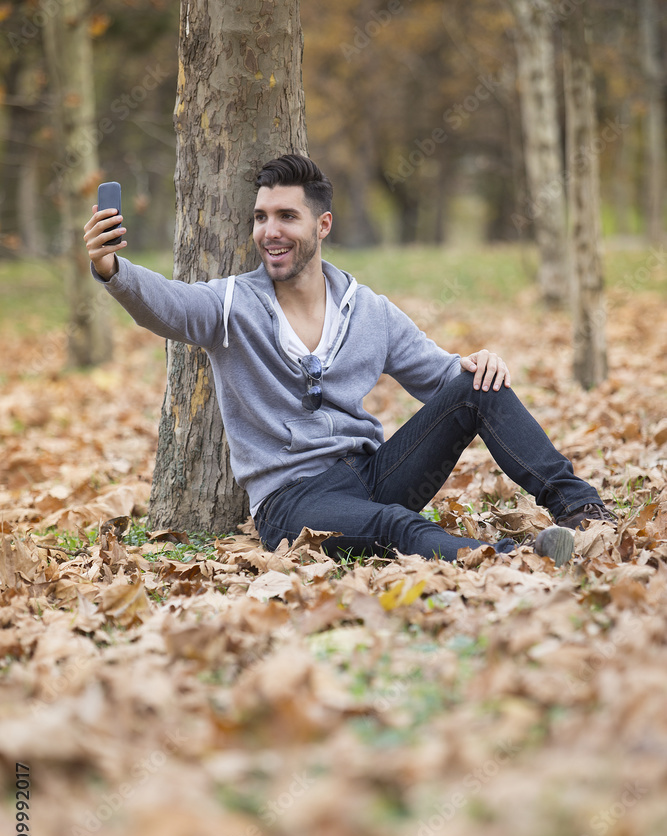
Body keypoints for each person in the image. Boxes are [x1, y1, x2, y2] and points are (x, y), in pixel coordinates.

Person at [84, 154, 615, 567]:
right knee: (392, 527)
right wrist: (112, 270)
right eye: (262, 217)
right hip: (293, 502)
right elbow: (167, 306)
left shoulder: (367, 310)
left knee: (479, 384)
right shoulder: (229, 306)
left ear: (323, 225)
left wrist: (479, 365)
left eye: (287, 216)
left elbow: (440, 378)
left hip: (371, 471)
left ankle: (584, 511)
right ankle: (513, 558)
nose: (270, 232)